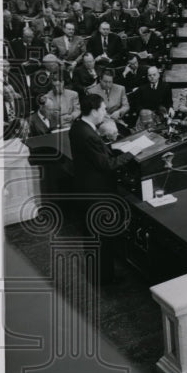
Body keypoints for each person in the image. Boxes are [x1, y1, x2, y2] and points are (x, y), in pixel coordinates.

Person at [68, 93, 135, 284]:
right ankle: (105, 279)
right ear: (95, 110)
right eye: (104, 109)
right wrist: (131, 152)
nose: (105, 112)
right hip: (97, 192)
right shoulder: (89, 135)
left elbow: (96, 154)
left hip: (84, 188)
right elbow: (106, 165)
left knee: (92, 236)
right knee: (102, 238)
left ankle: (97, 274)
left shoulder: (78, 127)